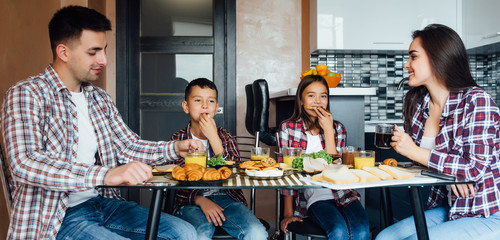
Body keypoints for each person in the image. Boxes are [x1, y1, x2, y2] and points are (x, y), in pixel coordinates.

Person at [1, 6, 200, 239]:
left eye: (103, 50)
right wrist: (105, 175)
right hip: (55, 216)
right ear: (63, 52)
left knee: (184, 232)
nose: (103, 60)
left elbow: (127, 146)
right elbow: (25, 163)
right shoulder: (27, 94)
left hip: (101, 204)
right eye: (93, 52)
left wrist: (175, 148)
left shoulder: (99, 98)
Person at [376, 24, 500, 240]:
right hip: (454, 208)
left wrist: (414, 151)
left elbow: (474, 169)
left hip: (493, 212)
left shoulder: (477, 101)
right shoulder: (421, 105)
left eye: (413, 57)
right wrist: (451, 175)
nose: (406, 65)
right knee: (385, 238)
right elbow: (436, 165)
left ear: (437, 57)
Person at [169, 78, 268, 240]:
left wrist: (214, 138)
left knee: (257, 233)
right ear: (186, 107)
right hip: (191, 202)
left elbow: (235, 174)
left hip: (227, 198)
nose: (205, 106)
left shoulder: (225, 136)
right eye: (198, 100)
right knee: (199, 235)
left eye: (211, 101)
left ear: (216, 107)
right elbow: (175, 182)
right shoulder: (178, 139)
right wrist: (199, 200)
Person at [278, 75, 370, 240]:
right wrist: (287, 214)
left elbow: (337, 169)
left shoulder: (338, 129)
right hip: (315, 198)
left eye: (323, 96)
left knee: (361, 232)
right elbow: (286, 175)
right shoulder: (288, 129)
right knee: (338, 232)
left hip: (344, 193)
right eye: (311, 95)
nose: (318, 101)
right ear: (301, 100)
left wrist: (328, 130)